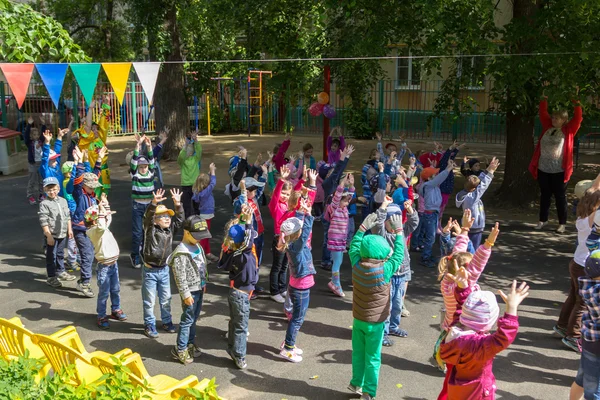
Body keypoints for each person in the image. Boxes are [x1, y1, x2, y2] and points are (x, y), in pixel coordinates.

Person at [348, 211, 405, 400]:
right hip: (376, 323)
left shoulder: (357, 265)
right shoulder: (385, 270)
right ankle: (368, 392)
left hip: (358, 319)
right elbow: (398, 255)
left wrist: (362, 228)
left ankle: (356, 382)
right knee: (373, 358)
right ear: (382, 254)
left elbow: (354, 247)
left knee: (358, 353)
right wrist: (399, 232)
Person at [439, 280, 530, 399]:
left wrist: (463, 289)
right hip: (478, 392)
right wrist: (511, 308)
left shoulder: (455, 331)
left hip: (458, 388)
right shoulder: (480, 346)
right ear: (489, 322)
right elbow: (503, 338)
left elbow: (461, 310)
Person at [555, 174, 600, 353]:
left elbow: (593, 190)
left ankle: (562, 325)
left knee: (573, 296)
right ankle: (573, 336)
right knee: (582, 303)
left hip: (576, 263)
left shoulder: (582, 216)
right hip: (585, 266)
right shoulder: (593, 218)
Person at [529, 85, 583, 233]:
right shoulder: (547, 126)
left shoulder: (569, 129)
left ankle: (562, 224)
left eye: (557, 118)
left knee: (560, 196)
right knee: (545, 195)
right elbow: (542, 111)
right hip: (543, 167)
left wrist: (575, 99)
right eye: (553, 117)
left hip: (560, 169)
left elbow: (578, 117)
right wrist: (544, 95)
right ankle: (543, 220)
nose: (553, 119)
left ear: (564, 119)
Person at [218, 206, 259, 369]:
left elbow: (242, 237)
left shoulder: (232, 252)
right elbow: (248, 240)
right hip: (241, 296)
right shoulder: (243, 255)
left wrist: (244, 220)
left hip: (235, 293)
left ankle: (232, 348)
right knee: (241, 327)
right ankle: (239, 355)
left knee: (234, 322)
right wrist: (249, 223)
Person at [168, 215, 211, 364]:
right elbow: (180, 277)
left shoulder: (197, 246)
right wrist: (185, 294)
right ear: (186, 232)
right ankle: (180, 349)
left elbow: (201, 265)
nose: (200, 239)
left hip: (198, 288)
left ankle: (190, 343)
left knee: (193, 319)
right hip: (190, 292)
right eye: (197, 236)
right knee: (187, 320)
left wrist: (204, 282)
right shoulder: (181, 252)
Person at [375, 198, 419, 347]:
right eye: (392, 220)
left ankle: (393, 327)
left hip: (402, 275)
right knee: (386, 305)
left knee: (397, 304)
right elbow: (378, 223)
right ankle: (384, 332)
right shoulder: (383, 235)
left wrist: (411, 210)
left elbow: (414, 223)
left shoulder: (403, 231)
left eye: (398, 219)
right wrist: (384, 205)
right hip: (389, 275)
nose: (395, 223)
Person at [141, 188, 184, 339]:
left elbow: (179, 220)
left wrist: (178, 204)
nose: (167, 219)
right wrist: (153, 203)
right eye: (163, 216)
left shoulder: (170, 230)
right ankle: (149, 324)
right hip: (150, 271)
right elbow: (147, 218)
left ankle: (166, 321)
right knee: (150, 300)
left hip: (164, 270)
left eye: (168, 216)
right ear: (155, 220)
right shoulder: (150, 229)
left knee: (166, 298)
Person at [277, 201, 314, 363]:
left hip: (297, 286)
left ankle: (288, 342)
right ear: (297, 235)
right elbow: (305, 232)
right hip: (300, 289)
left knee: (296, 317)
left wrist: (300, 212)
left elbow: (298, 228)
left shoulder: (291, 244)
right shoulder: (296, 247)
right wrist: (309, 216)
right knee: (297, 319)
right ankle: (288, 348)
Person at [84, 196, 127, 330]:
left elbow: (108, 219)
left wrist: (105, 205)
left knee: (116, 289)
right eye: (101, 216)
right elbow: (103, 223)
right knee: (104, 293)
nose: (105, 218)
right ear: (95, 220)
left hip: (113, 264)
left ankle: (116, 309)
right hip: (104, 267)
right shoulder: (93, 231)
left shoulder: (101, 227)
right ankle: (101, 316)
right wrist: (102, 210)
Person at [72, 153, 105, 298]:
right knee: (88, 255)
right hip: (81, 229)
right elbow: (78, 182)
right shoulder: (80, 193)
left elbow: (95, 176)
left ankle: (82, 280)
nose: (93, 189)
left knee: (91, 254)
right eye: (91, 187)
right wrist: (79, 163)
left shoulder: (92, 195)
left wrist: (99, 160)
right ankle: (85, 283)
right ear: (84, 186)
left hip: (91, 228)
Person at [570, 250, 600, 400]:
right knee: (594, 391)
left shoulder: (589, 285)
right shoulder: (598, 292)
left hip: (589, 343)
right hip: (597, 347)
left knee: (581, 380)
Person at [38, 177, 77, 288]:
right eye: (49, 190)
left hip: (62, 233)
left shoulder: (63, 201)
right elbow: (43, 220)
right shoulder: (44, 204)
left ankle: (61, 271)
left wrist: (69, 229)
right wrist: (48, 235)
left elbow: (68, 216)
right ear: (45, 190)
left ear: (58, 188)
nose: (52, 192)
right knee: (51, 255)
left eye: (54, 189)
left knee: (60, 254)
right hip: (52, 235)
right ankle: (51, 276)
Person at [455, 157, 500, 249]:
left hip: (469, 227)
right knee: (472, 250)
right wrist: (491, 172)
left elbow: (478, 181)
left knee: (466, 248)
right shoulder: (472, 198)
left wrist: (488, 169)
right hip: (474, 228)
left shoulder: (464, 193)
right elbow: (483, 186)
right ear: (474, 189)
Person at [418, 160, 455, 268]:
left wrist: (433, 167)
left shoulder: (431, 185)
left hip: (433, 214)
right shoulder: (429, 185)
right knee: (430, 238)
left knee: (431, 237)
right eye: (434, 175)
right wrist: (448, 169)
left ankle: (427, 255)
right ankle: (425, 258)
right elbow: (440, 178)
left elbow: (437, 177)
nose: (437, 175)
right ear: (429, 178)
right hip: (430, 214)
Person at [268, 165, 295, 303]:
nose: (285, 196)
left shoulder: (288, 206)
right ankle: (274, 291)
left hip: (288, 239)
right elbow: (277, 194)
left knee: (285, 265)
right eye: (283, 194)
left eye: (288, 194)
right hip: (279, 239)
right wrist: (281, 181)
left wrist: (303, 181)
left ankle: (282, 288)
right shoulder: (275, 205)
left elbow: (296, 193)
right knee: (277, 266)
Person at [326, 173, 354, 297]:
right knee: (337, 263)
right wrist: (342, 183)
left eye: (348, 201)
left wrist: (352, 184)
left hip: (341, 240)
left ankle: (334, 282)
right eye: (345, 201)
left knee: (339, 262)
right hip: (335, 239)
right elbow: (338, 195)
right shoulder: (335, 208)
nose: (347, 203)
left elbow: (350, 195)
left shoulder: (344, 209)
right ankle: (336, 284)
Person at [130, 134, 155, 269]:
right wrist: (138, 145)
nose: (144, 168)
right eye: (141, 166)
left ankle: (145, 254)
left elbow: (152, 160)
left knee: (148, 231)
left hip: (149, 205)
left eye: (145, 166)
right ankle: (135, 255)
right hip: (137, 205)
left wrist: (149, 146)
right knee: (138, 232)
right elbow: (134, 160)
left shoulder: (151, 172)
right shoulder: (135, 174)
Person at [192, 162, 218, 263]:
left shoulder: (199, 191)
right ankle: (201, 255)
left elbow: (207, 181)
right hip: (206, 215)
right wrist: (213, 172)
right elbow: (212, 183)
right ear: (205, 184)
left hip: (204, 214)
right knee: (204, 236)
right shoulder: (205, 192)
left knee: (206, 234)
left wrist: (209, 172)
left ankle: (207, 252)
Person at [178, 130, 203, 218]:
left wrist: (195, 139)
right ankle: (188, 220)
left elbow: (199, 150)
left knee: (197, 204)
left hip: (195, 185)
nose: (189, 149)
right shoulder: (183, 161)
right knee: (186, 205)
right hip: (185, 185)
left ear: (193, 151)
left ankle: (198, 219)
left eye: (190, 148)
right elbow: (181, 156)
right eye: (187, 148)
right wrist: (185, 145)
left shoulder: (196, 159)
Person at [24, 118, 45, 205]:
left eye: (37, 134)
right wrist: (29, 125)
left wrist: (43, 124)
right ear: (31, 136)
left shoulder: (40, 141)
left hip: (40, 163)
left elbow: (44, 134)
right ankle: (30, 196)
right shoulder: (29, 143)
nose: (36, 136)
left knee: (41, 180)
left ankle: (41, 194)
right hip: (33, 164)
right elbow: (25, 135)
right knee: (32, 180)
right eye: (34, 134)